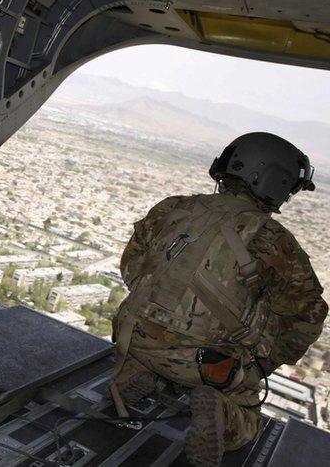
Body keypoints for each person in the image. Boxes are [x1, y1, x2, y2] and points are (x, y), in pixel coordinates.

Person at [109, 132, 327, 466]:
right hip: (206, 367)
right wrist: (260, 363)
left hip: (130, 338)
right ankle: (225, 414)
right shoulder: (275, 241)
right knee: (248, 409)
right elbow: (307, 317)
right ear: (273, 182)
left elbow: (131, 268)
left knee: (157, 338)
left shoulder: (174, 207)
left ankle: (136, 371)